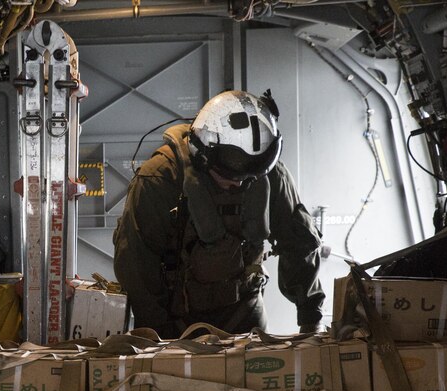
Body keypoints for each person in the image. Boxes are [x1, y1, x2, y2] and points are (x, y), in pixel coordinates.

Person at [113, 89, 325, 337]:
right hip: (175, 319)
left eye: (250, 178)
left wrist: (312, 317)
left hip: (245, 309)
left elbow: (299, 241)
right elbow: (136, 265)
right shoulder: (161, 179)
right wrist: (158, 335)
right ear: (202, 155)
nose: (239, 185)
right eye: (230, 176)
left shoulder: (269, 175)